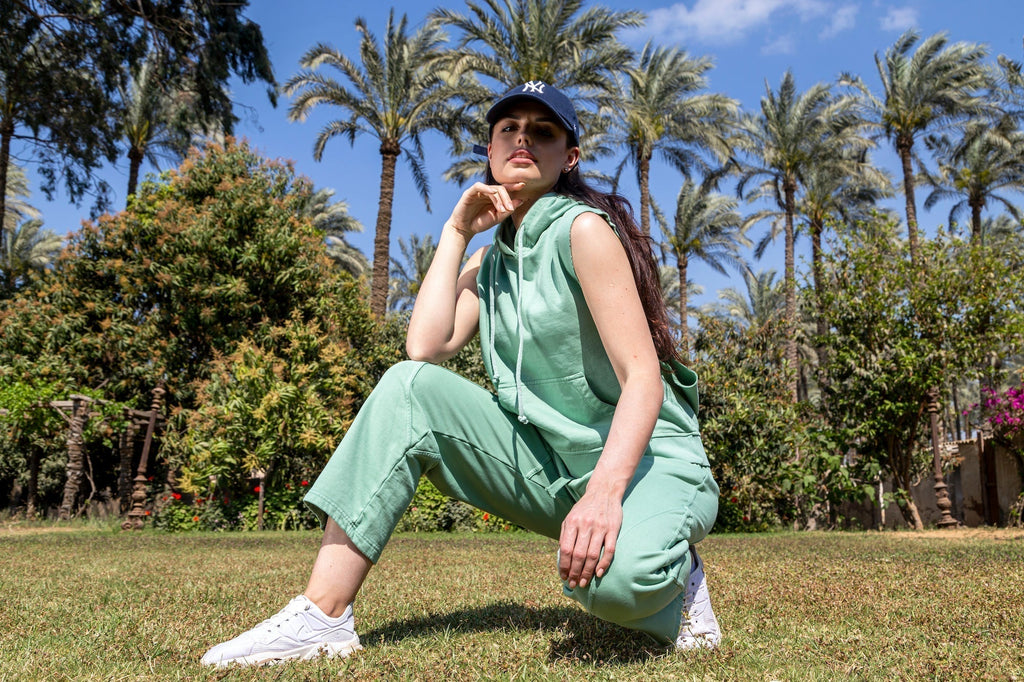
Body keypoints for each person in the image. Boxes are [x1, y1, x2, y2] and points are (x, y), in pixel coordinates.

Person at [201, 81, 721, 668]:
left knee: (607, 586)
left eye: (543, 131)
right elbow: (424, 346)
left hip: (647, 463)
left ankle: (680, 582)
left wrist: (603, 496)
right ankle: (323, 616)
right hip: (554, 467)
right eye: (509, 129)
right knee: (408, 389)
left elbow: (643, 377)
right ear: (491, 151)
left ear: (569, 157)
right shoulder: (490, 259)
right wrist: (456, 232)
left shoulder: (584, 231)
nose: (523, 138)